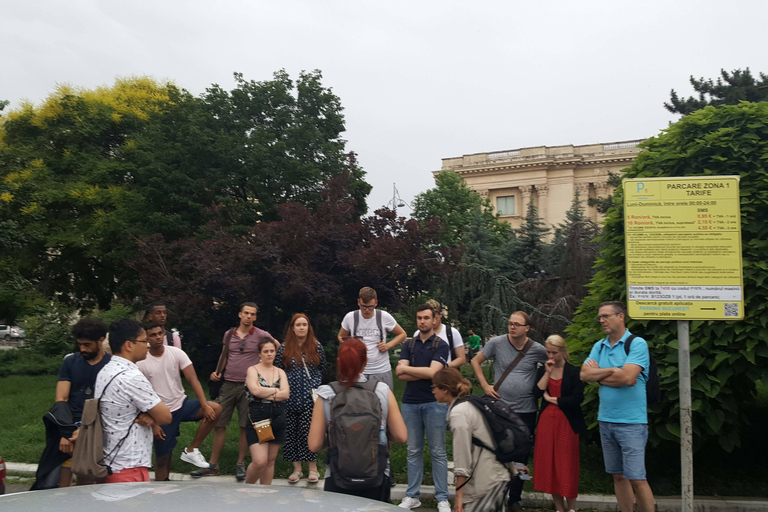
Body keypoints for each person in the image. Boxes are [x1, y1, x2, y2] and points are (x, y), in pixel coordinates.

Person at [308, 338, 407, 502]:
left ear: (339, 362)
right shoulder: (381, 390)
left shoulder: (326, 394)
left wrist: (337, 436)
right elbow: (401, 436)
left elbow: (314, 444)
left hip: (338, 476)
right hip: (377, 476)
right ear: (365, 361)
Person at [580, 301, 655, 512]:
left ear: (621, 316)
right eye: (600, 317)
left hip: (632, 423)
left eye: (606, 316)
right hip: (606, 420)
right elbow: (584, 374)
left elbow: (629, 378)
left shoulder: (637, 343)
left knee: (637, 478)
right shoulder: (599, 345)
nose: (601, 320)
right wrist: (613, 370)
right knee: (618, 476)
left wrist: (600, 374)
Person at [470, 311, 547, 511]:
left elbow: (555, 363)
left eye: (517, 324)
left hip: (526, 410)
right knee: (498, 453)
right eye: (510, 324)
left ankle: (515, 497)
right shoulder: (497, 343)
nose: (512, 327)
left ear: (527, 328)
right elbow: (475, 361)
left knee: (521, 455)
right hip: (500, 408)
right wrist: (485, 386)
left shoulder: (537, 349)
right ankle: (497, 494)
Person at [193, 302, 278, 480]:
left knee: (244, 426)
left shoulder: (261, 334)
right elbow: (225, 354)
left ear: (255, 317)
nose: (249, 316)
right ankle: (212, 464)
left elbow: (276, 346)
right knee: (219, 424)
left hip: (249, 386)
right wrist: (217, 372)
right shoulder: (229, 334)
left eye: (252, 314)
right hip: (228, 384)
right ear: (240, 314)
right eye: (246, 313)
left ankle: (240, 463)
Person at [32, 318, 112, 489]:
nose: (82, 349)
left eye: (87, 345)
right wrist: (66, 432)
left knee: (95, 482)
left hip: (99, 430)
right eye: (79, 344)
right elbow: (61, 399)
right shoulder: (70, 362)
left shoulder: (112, 365)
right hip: (69, 427)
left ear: (101, 340)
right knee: (56, 481)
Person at [137, 323, 222, 481]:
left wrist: (204, 404)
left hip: (182, 404)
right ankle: (162, 490)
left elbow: (193, 379)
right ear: (147, 338)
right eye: (153, 335)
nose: (157, 337)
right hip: (161, 413)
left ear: (164, 334)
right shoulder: (141, 361)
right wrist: (154, 424)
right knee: (163, 459)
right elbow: (140, 395)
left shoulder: (176, 353)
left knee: (215, 408)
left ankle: (191, 450)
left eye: (160, 333)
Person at [94, 319, 172, 483]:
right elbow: (165, 417)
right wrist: (151, 414)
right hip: (129, 466)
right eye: (144, 341)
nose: (148, 345)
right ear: (128, 345)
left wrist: (148, 414)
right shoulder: (131, 377)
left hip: (110, 461)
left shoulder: (105, 371)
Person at [432, 368, 514, 512]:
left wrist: (459, 497)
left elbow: (462, 457)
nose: (432, 391)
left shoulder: (458, 414)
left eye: (434, 386)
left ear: (444, 389)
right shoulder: (471, 403)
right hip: (498, 476)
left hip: (484, 483)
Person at [396, 304, 450, 512]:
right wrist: (424, 371)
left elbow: (434, 374)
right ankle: (412, 495)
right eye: (419, 318)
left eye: (426, 318)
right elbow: (399, 375)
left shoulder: (441, 345)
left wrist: (408, 369)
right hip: (410, 403)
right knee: (413, 450)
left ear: (434, 320)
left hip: (435, 403)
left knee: (438, 451)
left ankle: (442, 498)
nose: (423, 321)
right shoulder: (409, 345)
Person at [532, 335, 586, 512]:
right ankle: (559, 508)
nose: (550, 356)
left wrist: (553, 399)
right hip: (547, 421)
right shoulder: (544, 369)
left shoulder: (574, 371)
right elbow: (537, 393)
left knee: (567, 464)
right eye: (548, 352)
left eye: (554, 352)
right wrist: (547, 373)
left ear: (563, 351)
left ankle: (571, 507)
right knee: (550, 464)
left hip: (567, 422)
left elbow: (576, 399)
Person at [275, 314, 326, 484]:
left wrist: (316, 385)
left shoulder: (316, 346)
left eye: (305, 324)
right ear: (292, 328)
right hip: (288, 397)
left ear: (308, 327)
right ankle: (296, 469)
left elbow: (322, 368)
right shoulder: (284, 348)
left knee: (309, 432)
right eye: (298, 325)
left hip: (308, 399)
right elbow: (278, 370)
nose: (302, 327)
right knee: (291, 434)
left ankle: (313, 468)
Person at [337, 286, 407, 390]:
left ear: (376, 303)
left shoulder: (384, 316)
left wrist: (388, 345)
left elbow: (402, 334)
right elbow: (341, 336)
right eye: (363, 307)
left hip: (381, 369)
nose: (367, 310)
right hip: (358, 371)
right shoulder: (350, 317)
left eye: (370, 307)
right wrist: (350, 345)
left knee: (384, 402)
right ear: (358, 302)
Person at [244, 338, 289, 485]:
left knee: (270, 460)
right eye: (266, 351)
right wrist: (277, 391)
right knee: (259, 461)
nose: (269, 354)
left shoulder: (280, 372)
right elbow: (255, 391)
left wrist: (267, 392)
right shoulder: (253, 370)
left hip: (278, 416)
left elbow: (286, 394)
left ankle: (266, 493)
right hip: (258, 417)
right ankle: (247, 488)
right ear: (259, 354)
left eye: (272, 351)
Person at [411, 299, 466, 368]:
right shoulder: (417, 334)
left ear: (441, 315)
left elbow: (462, 359)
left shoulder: (451, 332)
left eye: (436, 318)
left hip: (445, 375)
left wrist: (444, 366)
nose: (433, 321)